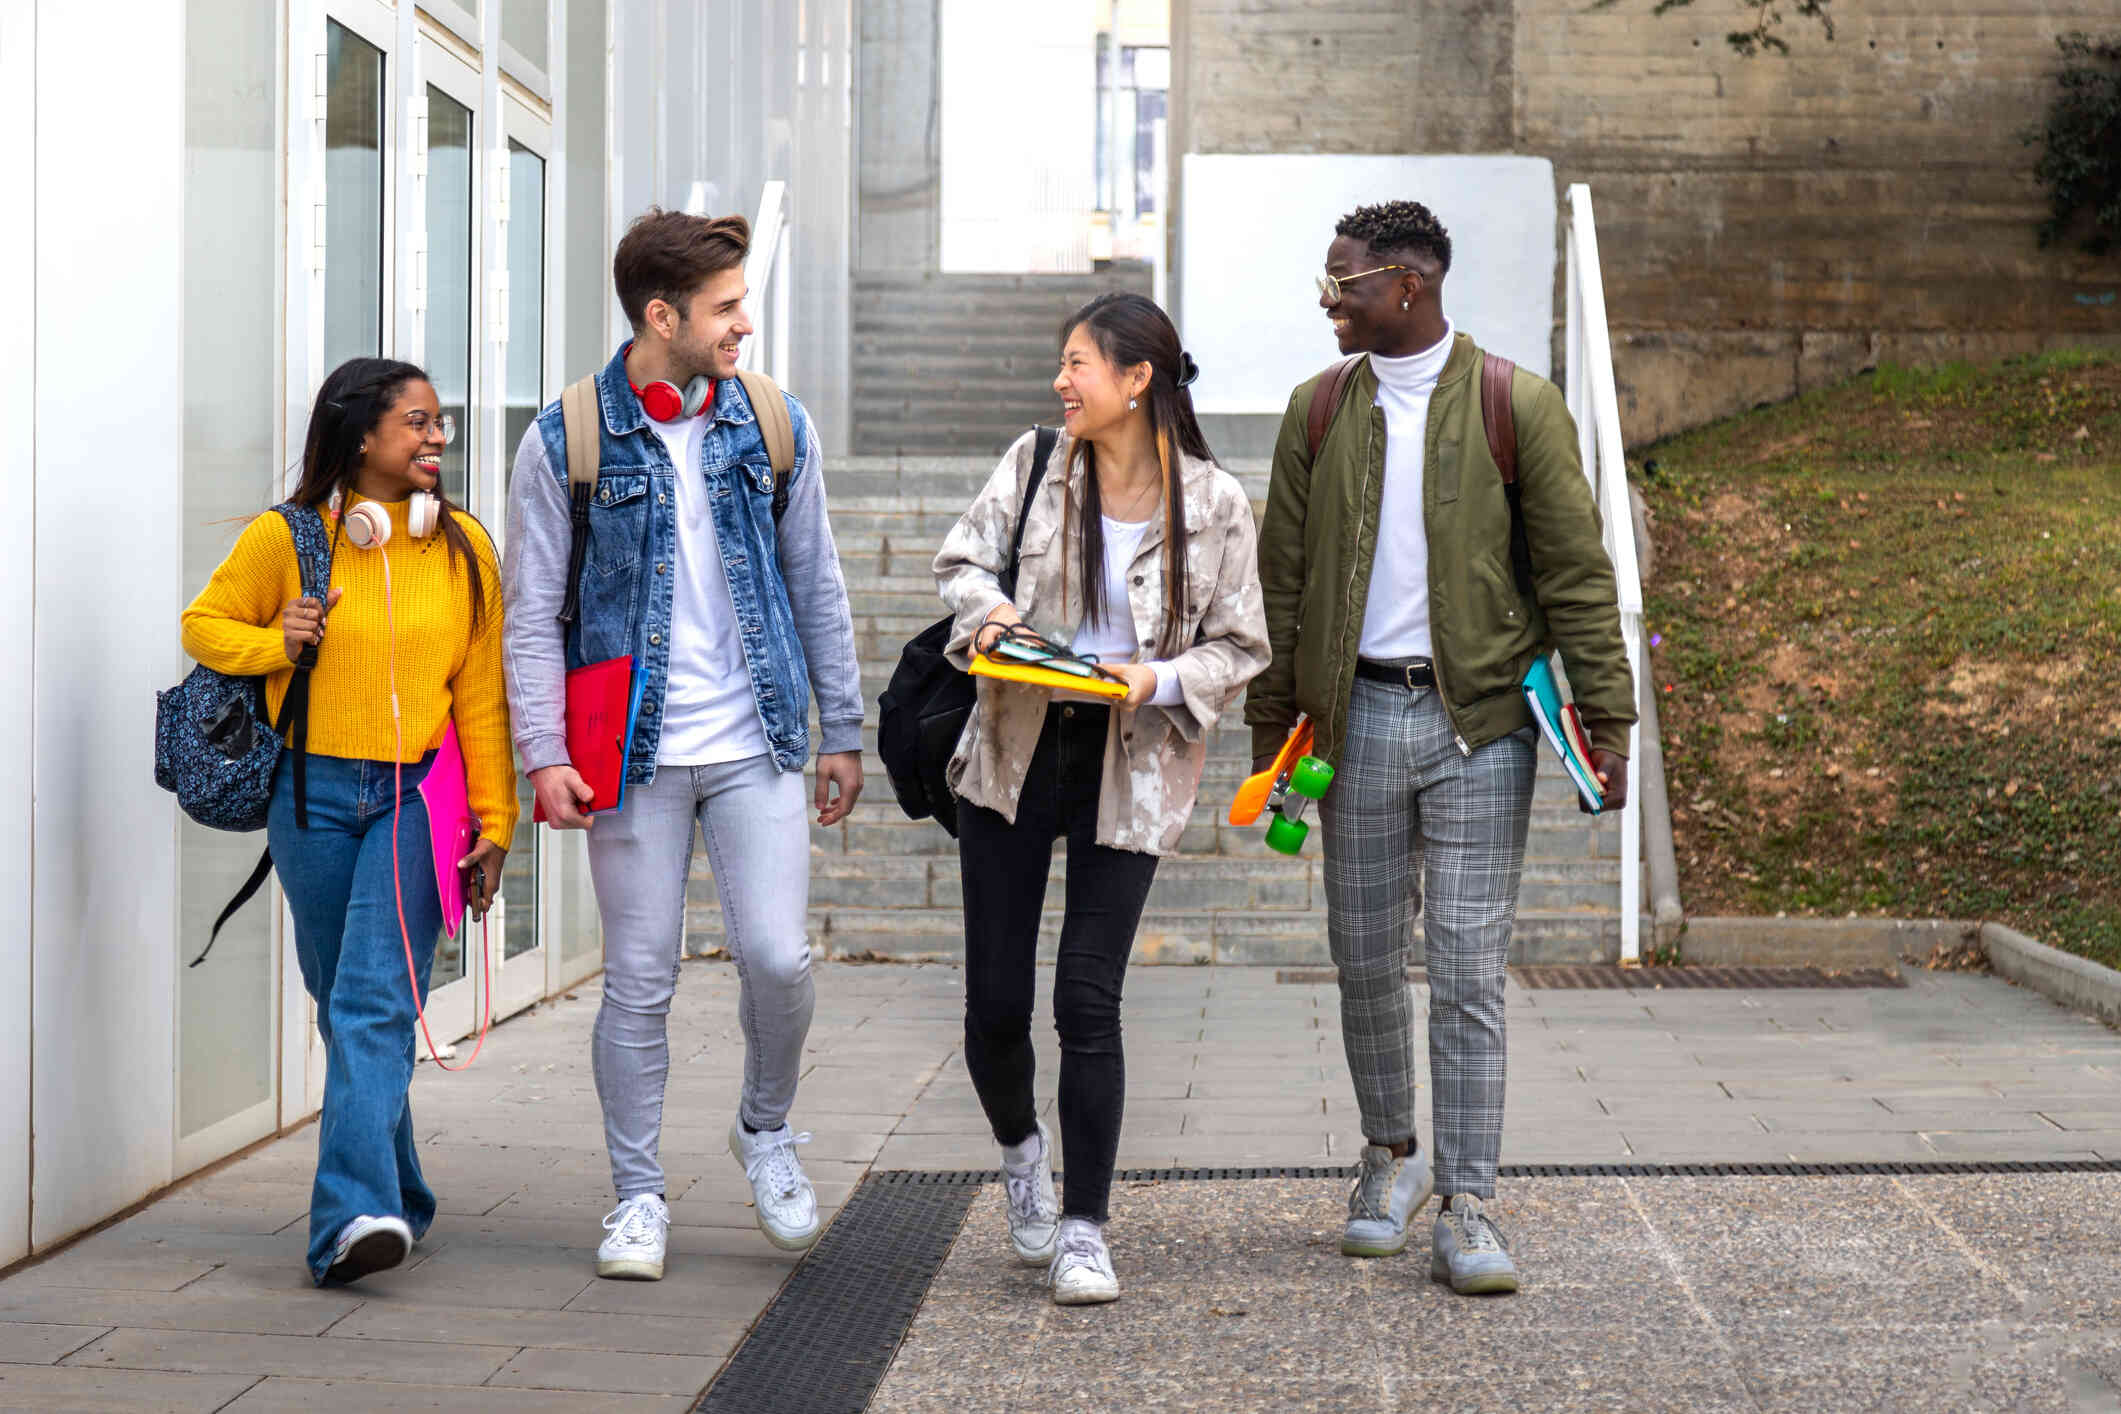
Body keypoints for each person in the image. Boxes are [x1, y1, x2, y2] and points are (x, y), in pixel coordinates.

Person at [1246, 201, 1636, 1295]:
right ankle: (1391, 1159)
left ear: (1407, 283)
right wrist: (1274, 730)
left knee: (1466, 967)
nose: (1330, 302)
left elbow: (1574, 572)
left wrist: (1607, 717)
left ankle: (1470, 1200)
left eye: (1345, 284)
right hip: (1354, 719)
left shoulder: (1518, 403)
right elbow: (1283, 583)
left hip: (1480, 724)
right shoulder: (1316, 411)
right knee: (1366, 958)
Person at [502, 208, 863, 1281]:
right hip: (630, 756)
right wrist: (542, 750)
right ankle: (637, 1195)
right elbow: (529, 613)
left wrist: (841, 726)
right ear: (662, 318)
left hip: (755, 738)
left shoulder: (772, 423)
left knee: (778, 957)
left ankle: (765, 1127)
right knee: (640, 981)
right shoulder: (565, 434)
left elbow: (818, 583)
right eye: (726, 308)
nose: (743, 324)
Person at [934, 292, 1269, 1305]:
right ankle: (1022, 1150)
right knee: (995, 1004)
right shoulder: (1036, 466)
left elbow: (1241, 644)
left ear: (1137, 380)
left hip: (1132, 760)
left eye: (1078, 362)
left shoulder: (1213, 502)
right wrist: (991, 613)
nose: (1061, 380)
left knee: (1087, 995)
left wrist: (1152, 680)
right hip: (1016, 743)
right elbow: (961, 562)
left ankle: (1085, 1224)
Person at [182, 357, 512, 1286]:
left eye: (438, 421)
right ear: (361, 437)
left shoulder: (464, 550)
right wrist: (276, 640)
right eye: (416, 422)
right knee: (346, 1007)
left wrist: (495, 821)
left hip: (417, 799)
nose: (436, 437)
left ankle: (345, 1222)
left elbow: (481, 699)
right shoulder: (288, 538)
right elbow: (203, 624)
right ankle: (400, 1197)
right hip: (309, 797)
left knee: (373, 1000)